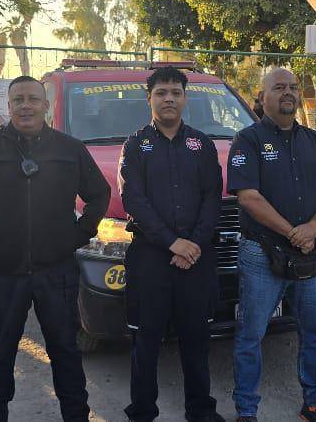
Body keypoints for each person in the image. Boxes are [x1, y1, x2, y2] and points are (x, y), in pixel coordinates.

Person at [0, 75, 111, 422]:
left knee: (65, 352)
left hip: (57, 272)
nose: (25, 106)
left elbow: (98, 195)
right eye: (18, 99)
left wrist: (78, 235)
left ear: (45, 105)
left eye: (33, 99)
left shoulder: (69, 149)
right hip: (4, 273)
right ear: (8, 106)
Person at [227, 68, 316, 422]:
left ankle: (315, 404)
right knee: (251, 336)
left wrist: (312, 227)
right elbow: (248, 197)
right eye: (279, 87)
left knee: (314, 332)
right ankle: (246, 411)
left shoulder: (315, 140)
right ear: (261, 96)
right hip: (261, 252)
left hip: (309, 252)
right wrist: (292, 230)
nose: (288, 93)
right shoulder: (246, 140)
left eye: (293, 87)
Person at [118, 67, 225, 422]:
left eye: (175, 92)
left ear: (185, 97)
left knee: (196, 340)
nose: (169, 99)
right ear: (148, 98)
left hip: (196, 259)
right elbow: (134, 200)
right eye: (161, 92)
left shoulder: (202, 144)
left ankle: (200, 410)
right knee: (146, 342)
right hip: (151, 258)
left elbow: (213, 198)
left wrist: (192, 244)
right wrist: (173, 243)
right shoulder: (135, 145)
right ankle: (143, 411)